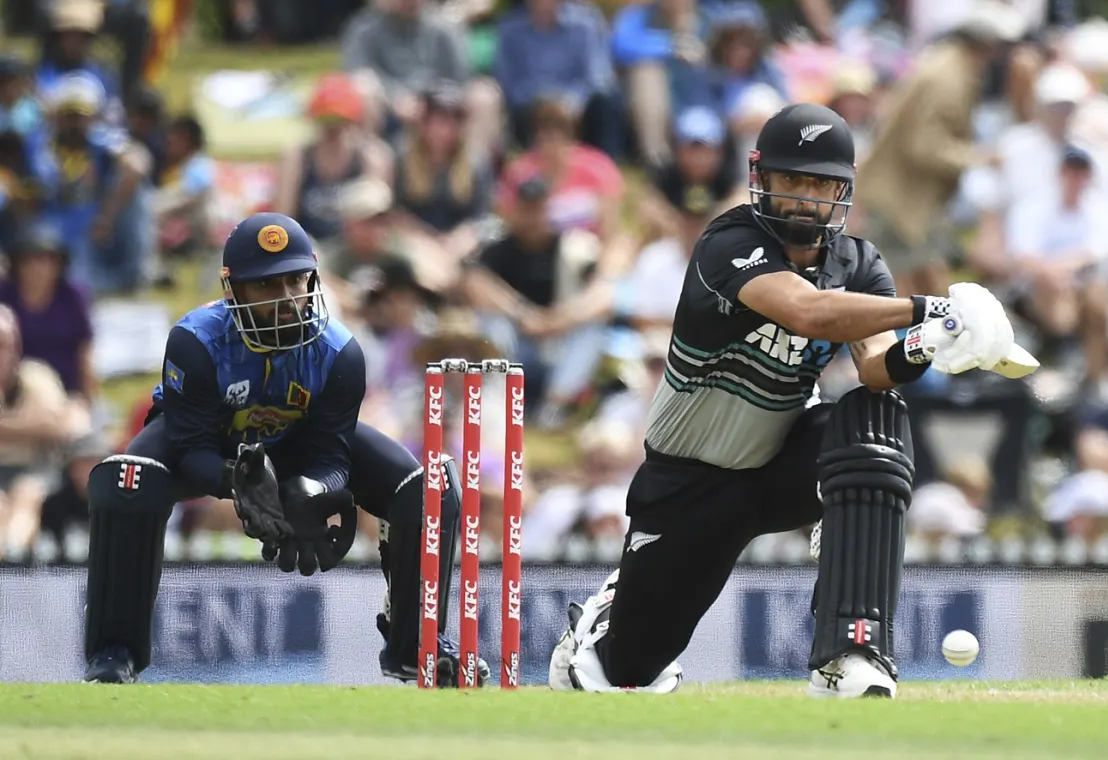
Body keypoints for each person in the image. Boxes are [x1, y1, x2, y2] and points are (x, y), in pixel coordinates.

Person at [546, 103, 1018, 698]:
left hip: (779, 463)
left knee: (875, 419)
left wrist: (929, 343)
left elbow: (876, 369)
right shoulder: (728, 242)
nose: (803, 198)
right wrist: (932, 308)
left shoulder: (857, 265)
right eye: (791, 180)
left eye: (819, 184)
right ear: (761, 178)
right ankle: (607, 618)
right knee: (629, 671)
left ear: (841, 191)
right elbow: (806, 311)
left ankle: (853, 651)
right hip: (688, 480)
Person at [81, 213, 486, 688]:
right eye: (267, 285)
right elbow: (191, 451)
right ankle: (115, 651)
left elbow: (333, 456)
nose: (288, 298)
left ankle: (415, 646)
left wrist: (309, 492)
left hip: (301, 441)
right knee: (128, 479)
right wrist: (240, 481)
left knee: (430, 489)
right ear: (233, 290)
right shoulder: (195, 341)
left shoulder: (340, 352)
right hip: (213, 445)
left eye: (296, 280)